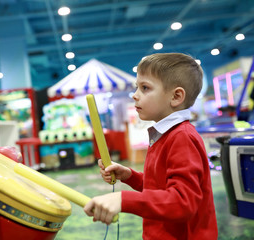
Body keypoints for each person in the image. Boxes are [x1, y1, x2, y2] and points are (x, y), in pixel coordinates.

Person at [84, 53, 218, 239]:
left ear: (176, 96)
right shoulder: (166, 134)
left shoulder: (181, 138)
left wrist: (123, 199)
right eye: (137, 87)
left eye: (145, 88)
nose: (134, 95)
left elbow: (182, 202)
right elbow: (161, 187)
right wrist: (130, 176)